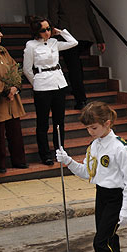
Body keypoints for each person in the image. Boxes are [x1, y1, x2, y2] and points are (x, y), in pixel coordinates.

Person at [56, 102, 127, 252]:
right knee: (109, 241)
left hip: (116, 197)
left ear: (107, 123)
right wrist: (68, 161)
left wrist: (126, 208)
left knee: (100, 242)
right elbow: (87, 172)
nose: (90, 132)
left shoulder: (119, 148)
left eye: (94, 127)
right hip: (101, 195)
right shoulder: (94, 146)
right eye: (88, 128)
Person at [23, 16, 78, 165]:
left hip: (59, 83)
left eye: (48, 29)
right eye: (43, 30)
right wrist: (37, 82)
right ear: (36, 32)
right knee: (43, 123)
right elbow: (27, 69)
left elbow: (73, 42)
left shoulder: (54, 42)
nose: (47, 32)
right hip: (42, 85)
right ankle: (45, 154)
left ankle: (60, 150)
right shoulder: (31, 45)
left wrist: (60, 32)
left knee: (59, 121)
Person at [48, 0, 105, 110]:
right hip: (86, 37)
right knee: (76, 63)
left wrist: (50, 33)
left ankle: (81, 100)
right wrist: (100, 39)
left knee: (73, 67)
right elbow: (92, 18)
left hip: (69, 37)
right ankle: (77, 89)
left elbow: (53, 15)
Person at [0, 19, 27, 177]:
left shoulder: (2, 50)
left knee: (15, 132)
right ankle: (0, 164)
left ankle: (19, 160)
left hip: (12, 99)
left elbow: (14, 67)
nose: (1, 35)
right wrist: (5, 89)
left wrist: (15, 87)